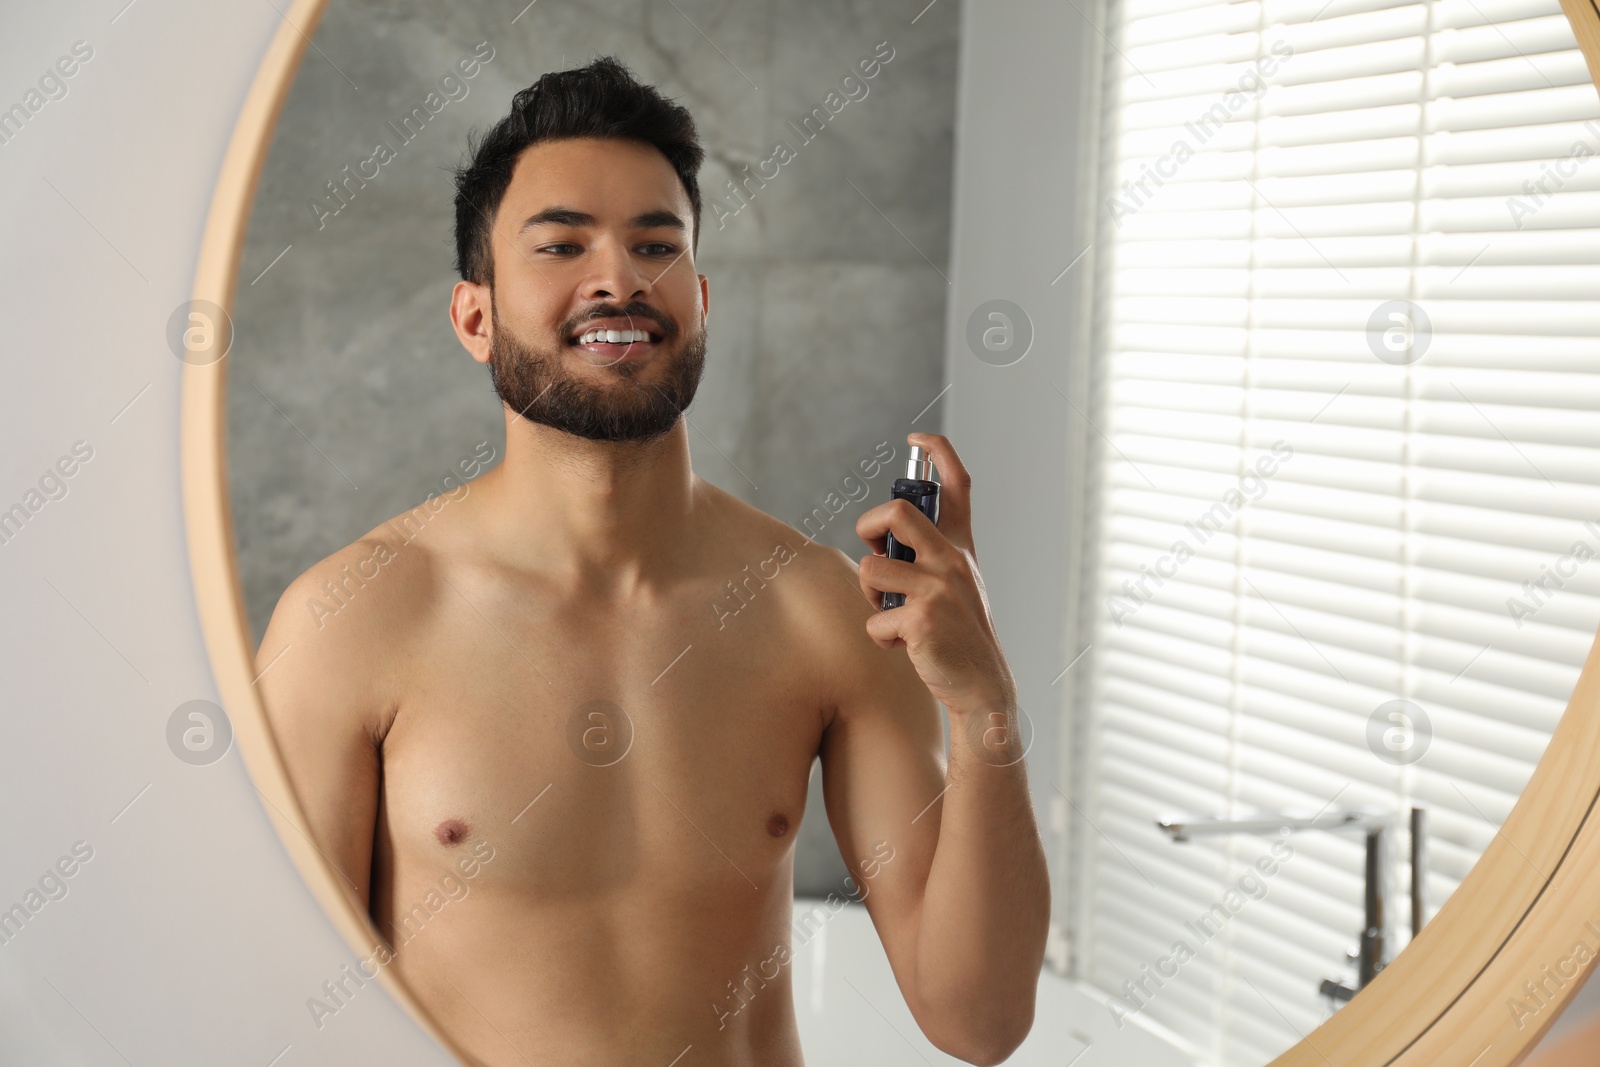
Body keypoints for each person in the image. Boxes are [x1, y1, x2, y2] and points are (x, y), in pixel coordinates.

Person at [255, 55, 1048, 1067]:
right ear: (474, 316)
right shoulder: (352, 620)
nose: (618, 278)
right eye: (561, 243)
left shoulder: (815, 609)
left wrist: (985, 704)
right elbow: (288, 1012)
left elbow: (978, 1019)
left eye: (654, 243)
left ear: (702, 299)